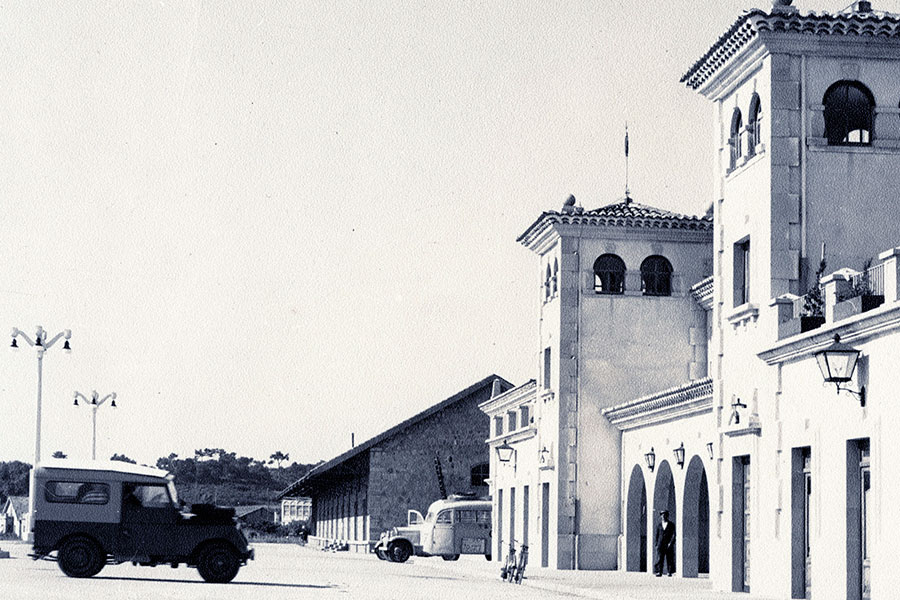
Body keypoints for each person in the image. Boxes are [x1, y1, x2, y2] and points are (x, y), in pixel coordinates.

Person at [654, 509, 676, 577]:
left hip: (668, 544)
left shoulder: (671, 525)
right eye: (662, 515)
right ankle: (659, 571)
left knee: (669, 558)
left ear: (667, 516)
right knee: (660, 558)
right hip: (660, 544)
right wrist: (656, 544)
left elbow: (674, 534)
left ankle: (669, 572)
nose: (663, 516)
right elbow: (657, 535)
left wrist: (671, 543)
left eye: (665, 515)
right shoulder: (659, 525)